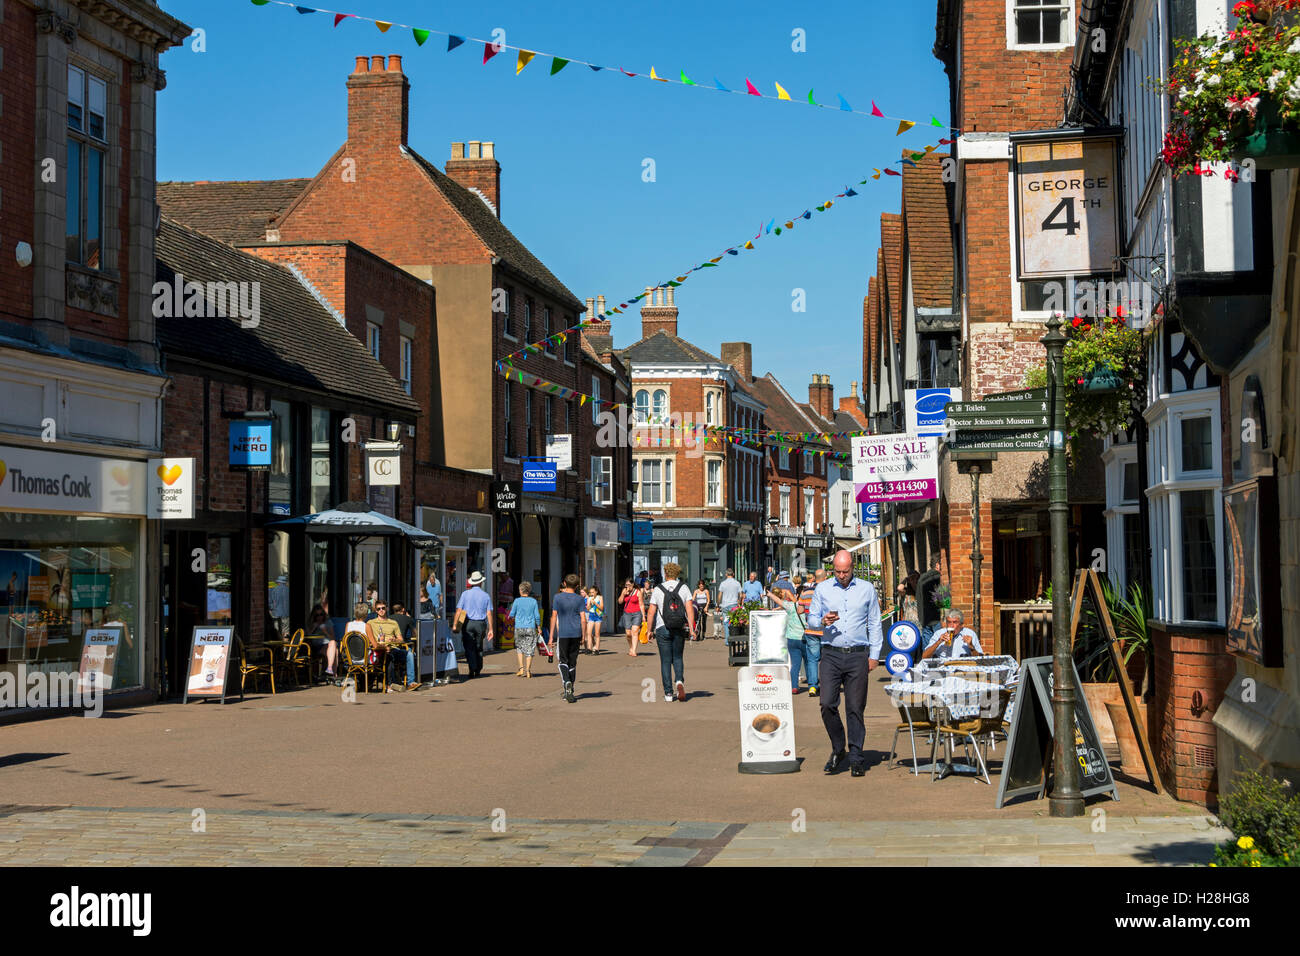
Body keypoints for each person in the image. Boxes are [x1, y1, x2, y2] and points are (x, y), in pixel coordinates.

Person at [808, 550, 883, 778]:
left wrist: (874, 655)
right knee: (827, 703)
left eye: (846, 571)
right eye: (838, 571)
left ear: (853, 568)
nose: (841, 575)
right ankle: (838, 747)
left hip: (857, 654)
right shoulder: (822, 589)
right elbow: (811, 618)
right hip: (831, 652)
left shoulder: (866, 589)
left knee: (855, 707)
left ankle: (857, 757)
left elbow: (875, 623)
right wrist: (821, 620)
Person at [647, 562, 694, 703]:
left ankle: (668, 693)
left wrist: (649, 630)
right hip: (679, 627)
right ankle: (679, 681)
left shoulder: (658, 589)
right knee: (678, 657)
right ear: (677, 574)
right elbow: (690, 610)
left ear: (665, 573)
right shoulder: (684, 588)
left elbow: (651, 612)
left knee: (665, 661)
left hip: (662, 628)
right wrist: (692, 629)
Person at [549, 574, 587, 703]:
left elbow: (554, 617)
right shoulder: (580, 599)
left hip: (564, 633)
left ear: (564, 583)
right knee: (573, 662)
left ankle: (566, 682)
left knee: (562, 661)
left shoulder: (557, 597)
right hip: (576, 633)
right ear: (577, 586)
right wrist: (584, 635)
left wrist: (550, 637)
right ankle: (570, 689)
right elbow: (583, 619)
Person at [768, 581, 811, 694]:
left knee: (795, 664)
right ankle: (812, 685)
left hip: (792, 639)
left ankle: (794, 687)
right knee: (808, 662)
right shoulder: (809, 607)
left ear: (796, 595)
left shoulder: (790, 606)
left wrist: (770, 594)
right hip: (805, 638)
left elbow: (779, 601)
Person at [366, 599, 410, 692]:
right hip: (378, 649)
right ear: (375, 610)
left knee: (409, 654)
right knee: (388, 655)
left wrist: (395, 639)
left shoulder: (393, 622)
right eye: (378, 609)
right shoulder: (371, 623)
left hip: (393, 647)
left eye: (383, 608)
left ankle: (411, 682)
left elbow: (401, 639)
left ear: (387, 608)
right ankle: (389, 684)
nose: (381, 610)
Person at [455, 571, 493, 679]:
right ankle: (478, 669)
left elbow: (459, 610)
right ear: (481, 583)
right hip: (480, 623)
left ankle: (472, 667)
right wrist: (491, 628)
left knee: (469, 647)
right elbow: (489, 613)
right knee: (478, 646)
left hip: (468, 623)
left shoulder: (465, 594)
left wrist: (455, 624)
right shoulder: (486, 596)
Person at [509, 582, 542, 678]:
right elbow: (537, 616)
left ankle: (521, 669)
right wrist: (538, 627)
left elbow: (511, 614)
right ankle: (528, 671)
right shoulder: (533, 601)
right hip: (530, 627)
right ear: (529, 591)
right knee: (530, 649)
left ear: (520, 590)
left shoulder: (517, 601)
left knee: (519, 648)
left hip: (519, 627)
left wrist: (514, 618)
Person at [390, 602, 420, 689]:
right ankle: (411, 681)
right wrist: (410, 618)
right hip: (402, 646)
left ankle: (396, 677)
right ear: (403, 610)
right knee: (411, 654)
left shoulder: (389, 618)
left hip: (391, 646)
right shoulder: (407, 618)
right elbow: (415, 634)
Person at [307, 603, 339, 683]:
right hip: (316, 645)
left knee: (333, 644)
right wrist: (314, 627)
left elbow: (332, 637)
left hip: (327, 644)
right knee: (335, 651)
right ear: (314, 616)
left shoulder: (328, 622)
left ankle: (330, 668)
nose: (319, 617)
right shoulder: (311, 622)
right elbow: (307, 636)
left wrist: (325, 631)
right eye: (317, 615)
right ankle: (333, 674)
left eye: (321, 614)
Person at [916, 554, 943, 644]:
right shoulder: (938, 578)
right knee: (941, 647)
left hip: (924, 619)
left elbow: (918, 598)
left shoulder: (921, 578)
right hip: (937, 619)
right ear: (938, 565)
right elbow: (943, 600)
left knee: (927, 649)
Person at [618, 579, 643, 657]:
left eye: (629, 585)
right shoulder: (624, 591)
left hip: (637, 613)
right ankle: (631, 647)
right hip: (627, 614)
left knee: (635, 631)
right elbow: (620, 602)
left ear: (633, 585)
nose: (627, 586)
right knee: (628, 634)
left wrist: (644, 617)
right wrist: (623, 594)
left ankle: (634, 650)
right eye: (626, 585)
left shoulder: (638, 592)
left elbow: (641, 604)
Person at [717, 569, 743, 644]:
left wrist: (718, 605)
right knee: (733, 622)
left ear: (726, 574)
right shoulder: (737, 583)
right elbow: (741, 595)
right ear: (733, 574)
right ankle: (733, 639)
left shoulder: (723, 583)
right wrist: (739, 601)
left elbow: (719, 595)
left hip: (725, 605)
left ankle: (728, 641)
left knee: (726, 622)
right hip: (734, 605)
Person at [584, 586, 604, 655]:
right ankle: (589, 648)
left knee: (597, 634)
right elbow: (588, 609)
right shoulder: (589, 598)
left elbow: (601, 608)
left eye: (593, 592)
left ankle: (596, 649)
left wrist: (595, 603)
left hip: (598, 616)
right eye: (590, 592)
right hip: (591, 616)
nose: (591, 593)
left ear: (596, 592)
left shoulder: (600, 597)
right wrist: (589, 604)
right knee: (589, 633)